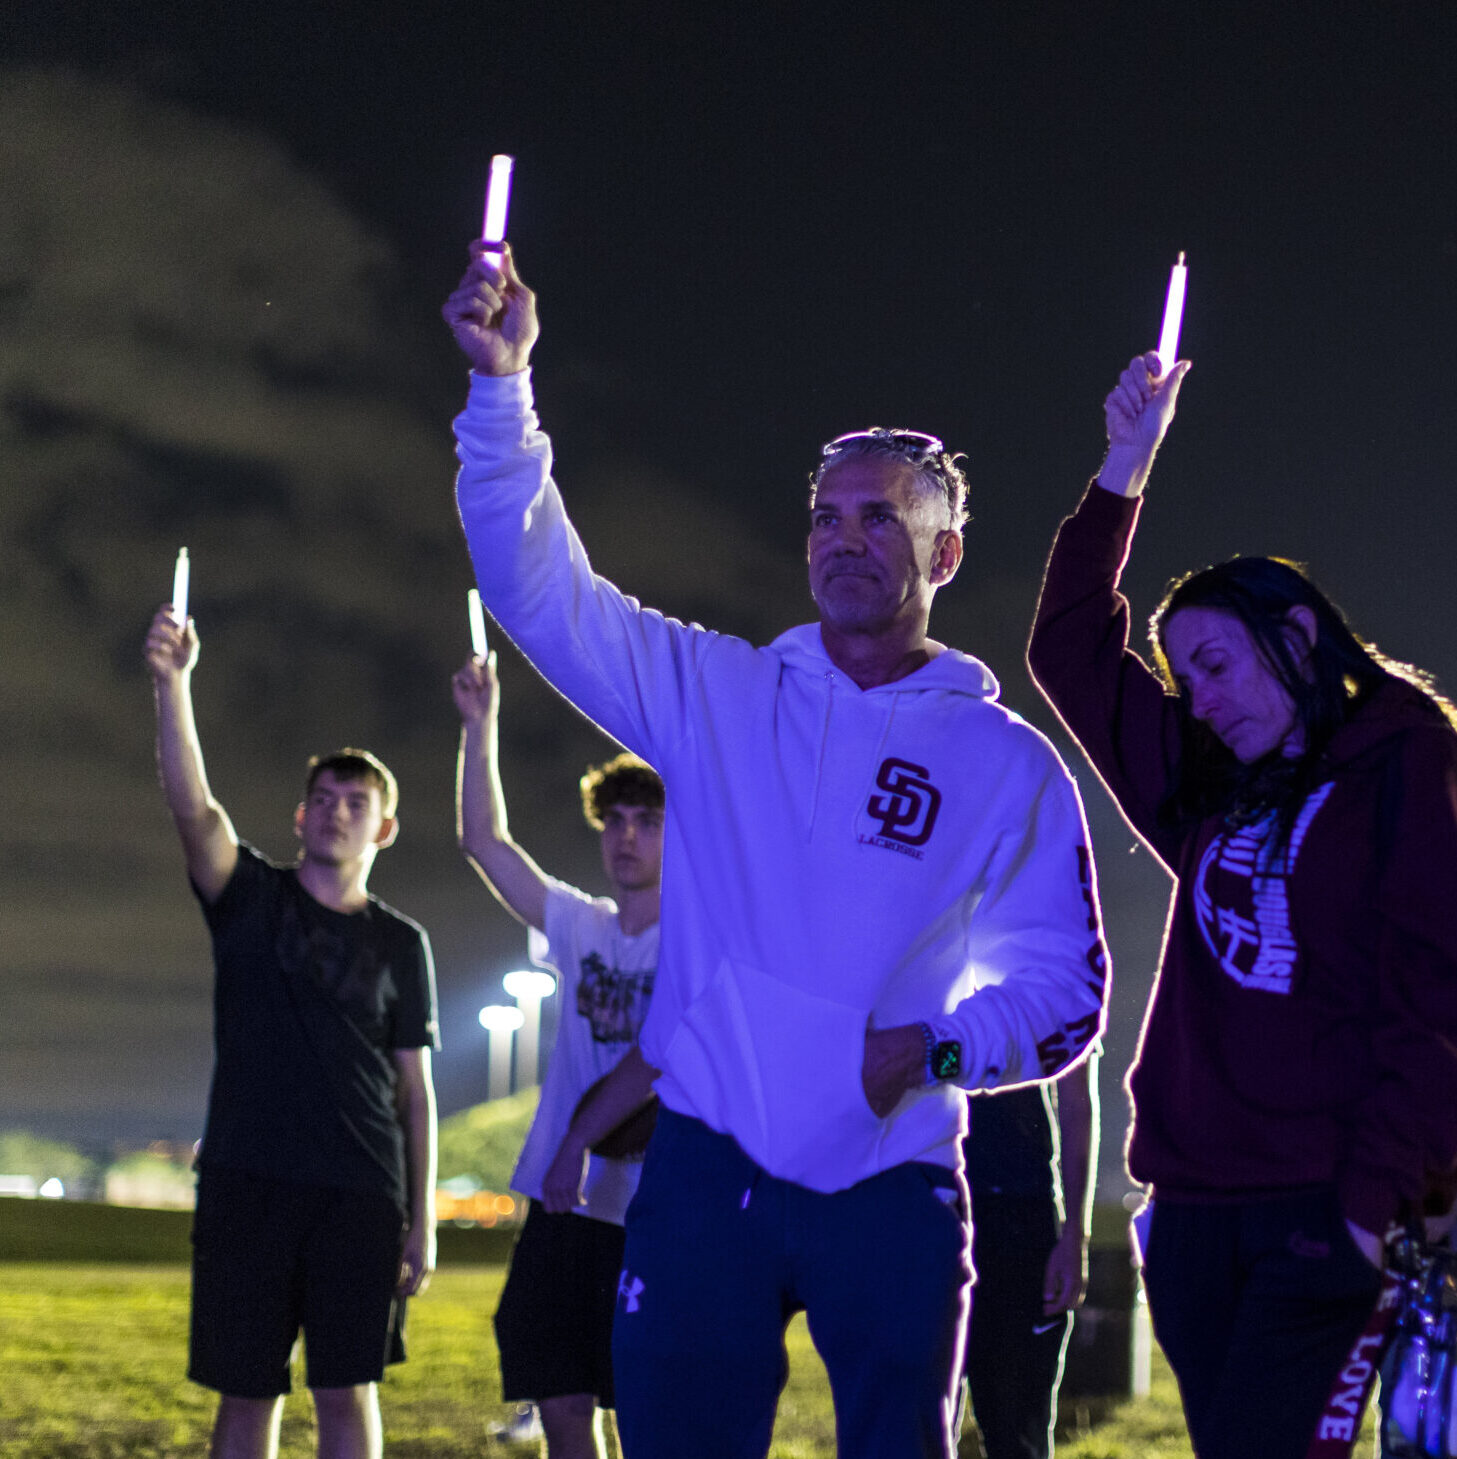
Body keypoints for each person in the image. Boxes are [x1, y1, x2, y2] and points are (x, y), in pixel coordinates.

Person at [442, 244, 1109, 1459]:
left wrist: (931, 1046)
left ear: (945, 554)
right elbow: (538, 589)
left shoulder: (1005, 765)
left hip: (893, 1180)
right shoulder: (719, 695)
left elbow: (1070, 996)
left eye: (881, 519)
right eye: (825, 517)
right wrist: (503, 393)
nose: (844, 540)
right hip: (705, 1168)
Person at [1027, 352, 1457, 1458]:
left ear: (1297, 639)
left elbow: (1450, 1022)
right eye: (1181, 676)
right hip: (1197, 1205)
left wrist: (1362, 1203)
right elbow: (1068, 651)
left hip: (1320, 1204)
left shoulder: (1417, 772)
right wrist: (1123, 467)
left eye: (1213, 663)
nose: (1196, 698)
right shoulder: (1209, 787)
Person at [145, 605, 439, 1459]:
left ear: (383, 827)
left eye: (356, 802)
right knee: (248, 1392)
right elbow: (191, 804)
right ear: (299, 817)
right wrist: (173, 683)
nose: (337, 813)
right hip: (247, 1183)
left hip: (360, 1195)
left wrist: (420, 1220)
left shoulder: (401, 941)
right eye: (322, 799)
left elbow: (414, 1092)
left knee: (347, 1390)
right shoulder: (251, 900)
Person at [452, 652, 665, 1459]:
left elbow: (655, 1057)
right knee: (564, 1397)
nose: (626, 836)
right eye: (614, 820)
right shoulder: (583, 925)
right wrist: (480, 724)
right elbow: (484, 840)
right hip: (564, 1202)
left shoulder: (697, 939)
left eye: (647, 820)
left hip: (651, 1206)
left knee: (645, 1399)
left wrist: (581, 1136)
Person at [957, 1057, 1098, 1459]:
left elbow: (1076, 1103)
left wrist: (1074, 1235)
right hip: (928, 1201)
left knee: (1017, 1430)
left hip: (1020, 1215)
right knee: (918, 1426)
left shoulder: (1056, 990)